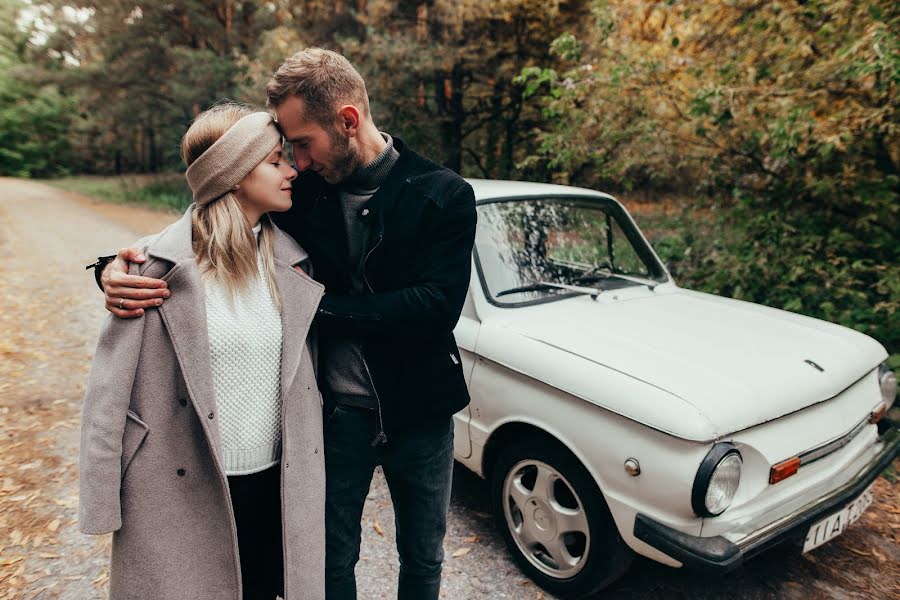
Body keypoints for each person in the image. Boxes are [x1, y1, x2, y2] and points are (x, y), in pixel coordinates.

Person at [95, 48, 477, 600]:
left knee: (422, 556)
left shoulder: (443, 194)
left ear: (347, 121)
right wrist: (113, 267)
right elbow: (215, 211)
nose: (296, 161)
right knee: (327, 560)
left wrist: (312, 307)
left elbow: (433, 308)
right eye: (287, 150)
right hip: (336, 415)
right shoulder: (305, 193)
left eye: (302, 143)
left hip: (421, 412)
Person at [79, 103, 326, 599]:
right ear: (232, 175)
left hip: (274, 484)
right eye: (275, 161)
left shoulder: (296, 263)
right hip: (177, 481)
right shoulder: (151, 270)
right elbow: (107, 392)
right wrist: (100, 501)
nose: (291, 170)